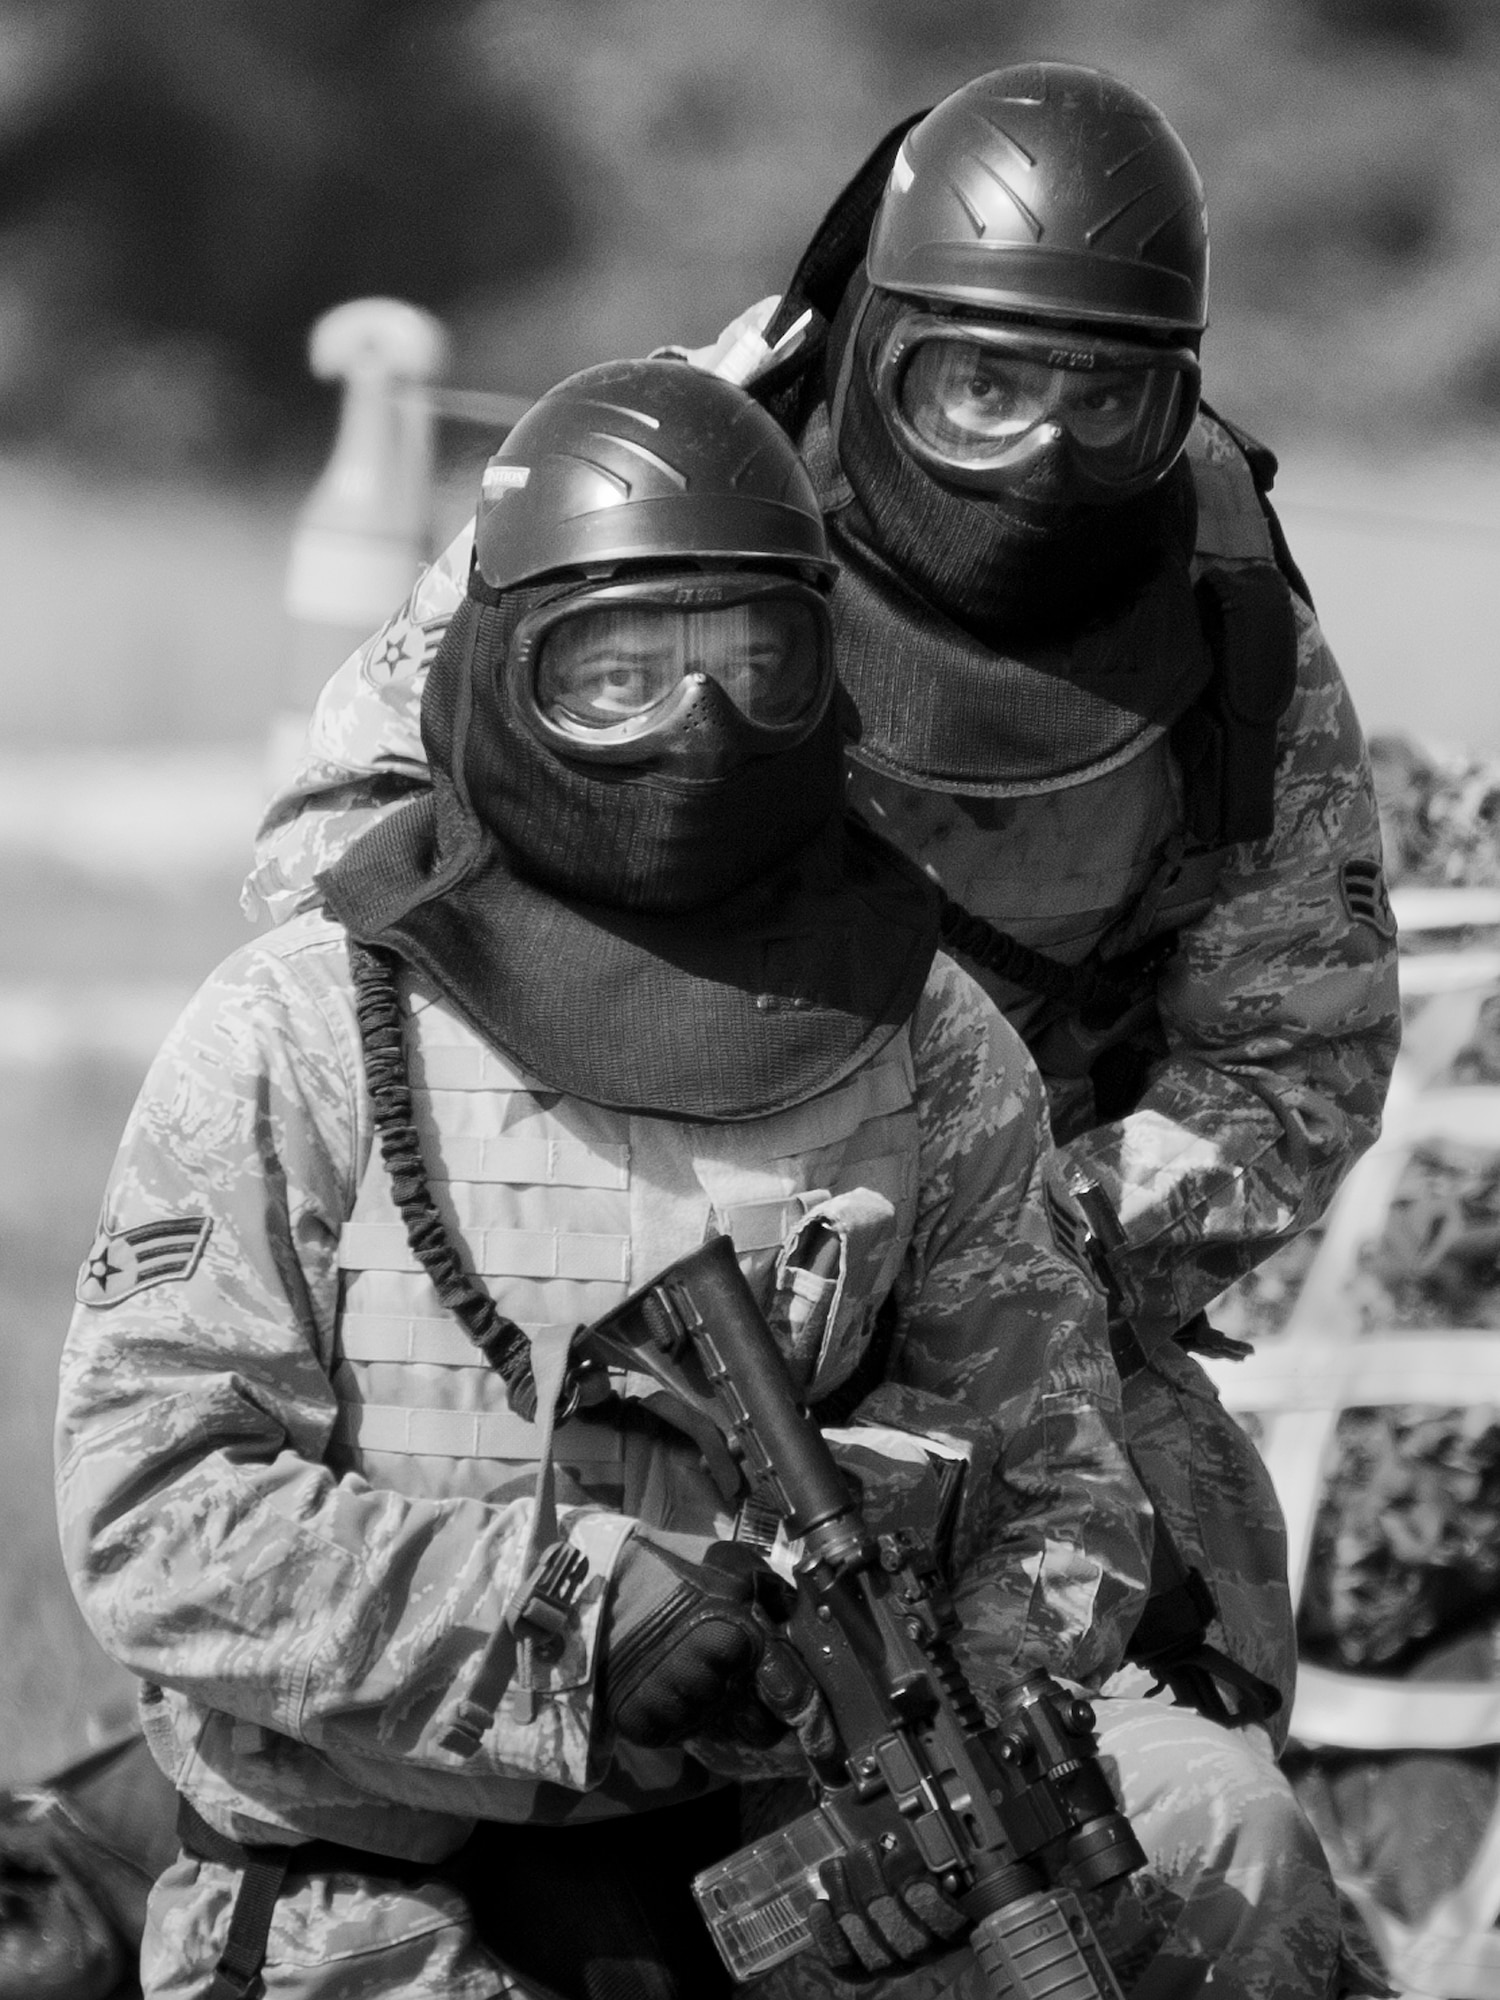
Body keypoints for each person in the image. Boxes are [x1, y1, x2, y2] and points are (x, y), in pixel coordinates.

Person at [55, 360, 1357, 2000]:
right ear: (498, 674)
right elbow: (152, 1510)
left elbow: (1064, 1491)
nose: (699, 725)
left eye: (754, 663)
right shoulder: (307, 1023)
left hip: (796, 1850)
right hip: (375, 1888)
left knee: (1213, 1838)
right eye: (618, 672)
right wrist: (576, 1615)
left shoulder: (923, 1035)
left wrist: (922, 1727)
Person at [245, 61, 1401, 1745]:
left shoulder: (1223, 611)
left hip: (1010, 1275)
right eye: (981, 386)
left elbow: (1302, 1056)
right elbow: (331, 872)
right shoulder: (673, 477)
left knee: (1192, 1769)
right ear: (877, 339)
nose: (1046, 453)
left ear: (1180, 395)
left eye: (1107, 400)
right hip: (566, 1252)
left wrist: (993, 1243)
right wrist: (555, 1208)